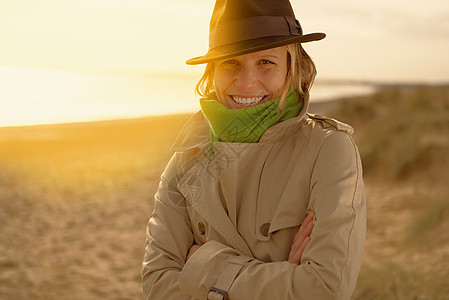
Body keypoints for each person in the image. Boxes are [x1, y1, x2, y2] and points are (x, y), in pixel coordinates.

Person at [142, 0, 366, 299]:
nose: (246, 83)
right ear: (212, 72)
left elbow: (324, 289)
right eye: (230, 62)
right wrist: (281, 277)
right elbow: (157, 283)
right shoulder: (186, 157)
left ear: (293, 68)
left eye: (266, 62)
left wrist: (201, 267)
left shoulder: (329, 150)